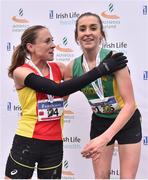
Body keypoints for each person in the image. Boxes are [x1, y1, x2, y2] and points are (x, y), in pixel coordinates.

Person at [5, 25, 127, 179]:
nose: (53, 45)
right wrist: (102, 69)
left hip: (54, 143)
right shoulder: (21, 71)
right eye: (47, 41)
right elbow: (58, 90)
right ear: (31, 47)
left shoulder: (60, 68)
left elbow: (80, 75)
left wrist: (108, 66)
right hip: (27, 140)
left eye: (53, 40)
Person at [64, 12, 142, 179]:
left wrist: (104, 138)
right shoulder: (72, 67)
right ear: (77, 36)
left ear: (101, 34)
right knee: (100, 177)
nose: (88, 33)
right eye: (82, 29)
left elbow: (130, 104)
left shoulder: (114, 59)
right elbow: (60, 97)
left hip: (127, 120)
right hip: (100, 120)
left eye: (93, 28)